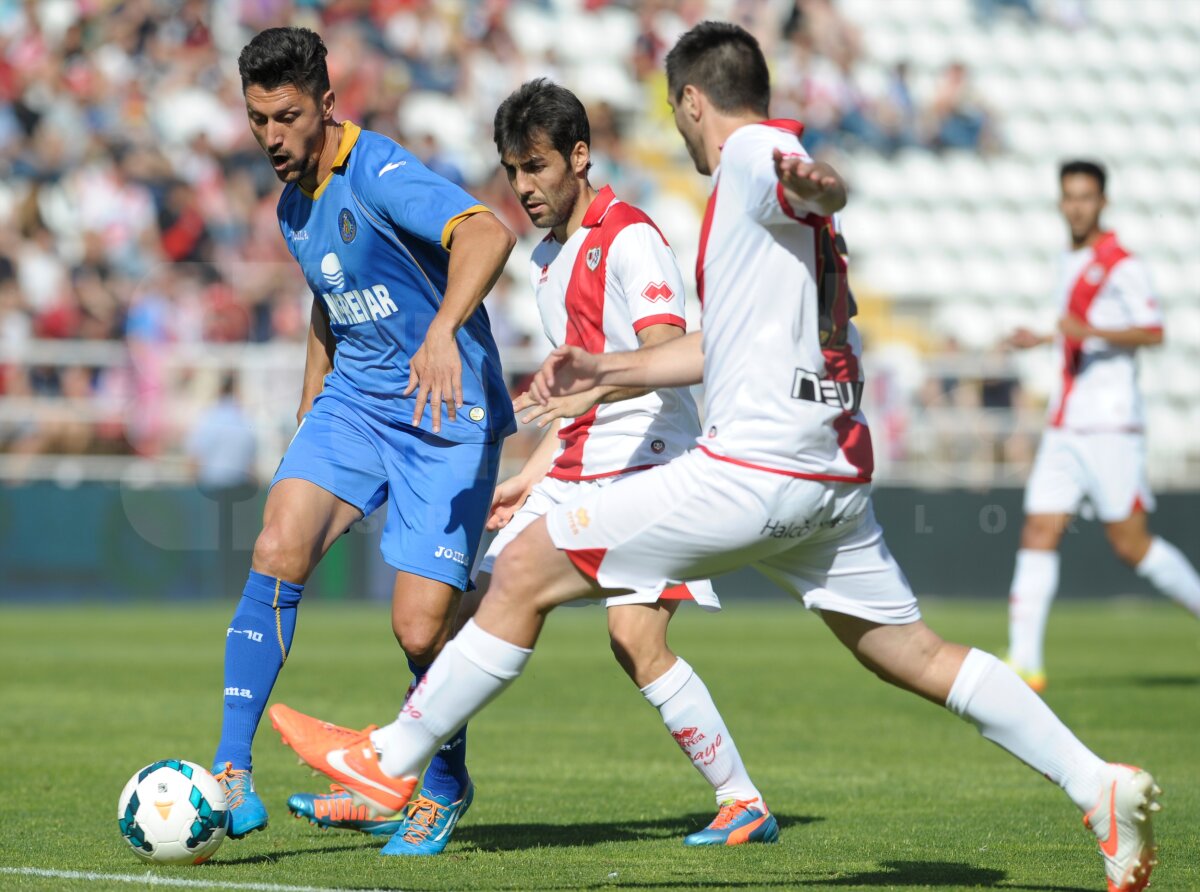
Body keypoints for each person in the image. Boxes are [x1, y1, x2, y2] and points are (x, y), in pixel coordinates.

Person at [273, 23, 1160, 892]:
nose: (680, 128)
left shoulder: (748, 160)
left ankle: (391, 760)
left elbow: (804, 180)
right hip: (832, 472)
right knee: (917, 655)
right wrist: (604, 370)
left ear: (694, 101)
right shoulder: (745, 224)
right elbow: (709, 346)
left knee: (523, 575)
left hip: (755, 467)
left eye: (677, 110)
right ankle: (1097, 784)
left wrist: (818, 183)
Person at [281, 78, 776, 851]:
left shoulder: (630, 237)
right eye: (512, 172)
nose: (524, 188)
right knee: (461, 615)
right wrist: (531, 474)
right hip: (584, 467)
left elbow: (664, 360)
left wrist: (584, 410)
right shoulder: (548, 263)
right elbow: (576, 402)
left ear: (579, 158)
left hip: (647, 467)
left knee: (604, 628)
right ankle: (405, 783)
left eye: (537, 167)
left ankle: (391, 771)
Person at [210, 26, 517, 847]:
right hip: (357, 403)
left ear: (326, 106)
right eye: (257, 120)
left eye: (286, 117)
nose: (271, 137)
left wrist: (445, 329)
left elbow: (488, 232)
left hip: (446, 413)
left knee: (419, 628)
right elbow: (328, 297)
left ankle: (442, 779)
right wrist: (312, 404)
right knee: (277, 545)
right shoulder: (291, 205)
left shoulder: (377, 170)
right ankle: (230, 773)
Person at [1004, 160, 1200, 692]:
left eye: (1085, 196)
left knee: (1130, 544)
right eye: (1068, 196)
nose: (1076, 205)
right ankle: (1025, 662)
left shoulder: (1122, 265)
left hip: (1112, 424)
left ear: (1102, 202)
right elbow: (1075, 333)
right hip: (1067, 423)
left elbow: (1153, 331)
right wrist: (1043, 338)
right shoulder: (1067, 260)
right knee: (1039, 529)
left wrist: (1087, 329)